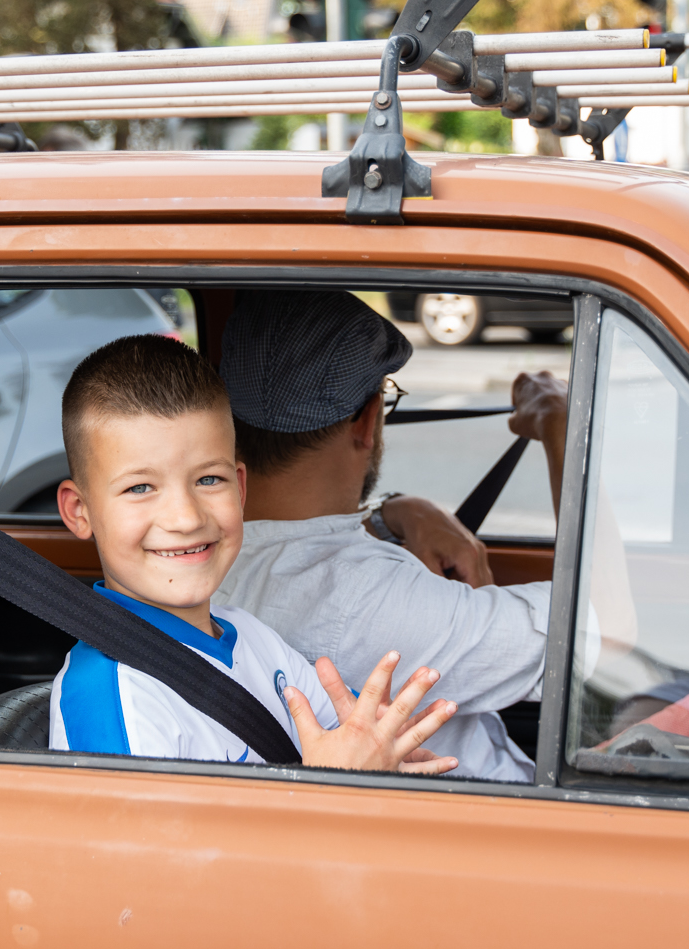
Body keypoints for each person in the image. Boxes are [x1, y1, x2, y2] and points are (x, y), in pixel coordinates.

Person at [48, 333, 459, 773]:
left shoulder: (253, 638)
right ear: (79, 511)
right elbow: (154, 844)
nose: (186, 518)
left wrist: (382, 748)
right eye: (140, 487)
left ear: (240, 488)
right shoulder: (113, 700)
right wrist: (334, 786)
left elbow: (353, 738)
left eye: (209, 480)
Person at [212, 290, 566, 782]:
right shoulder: (365, 598)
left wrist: (392, 513)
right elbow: (600, 637)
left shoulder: (197, 556)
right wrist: (561, 425)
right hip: (511, 838)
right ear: (367, 419)